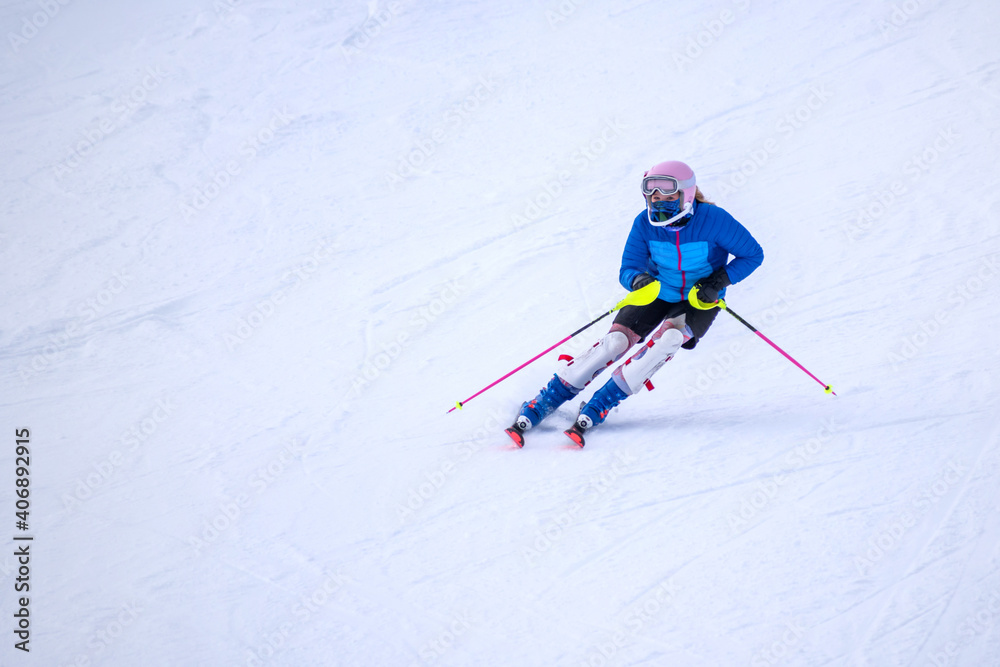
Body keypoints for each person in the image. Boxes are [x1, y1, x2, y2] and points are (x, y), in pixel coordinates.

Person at [505, 160, 764, 447]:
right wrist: (638, 280)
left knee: (670, 339)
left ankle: (600, 404)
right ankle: (545, 400)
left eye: (667, 191)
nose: (658, 198)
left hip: (698, 298)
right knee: (616, 342)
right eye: (651, 191)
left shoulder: (714, 219)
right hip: (657, 292)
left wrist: (718, 282)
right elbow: (628, 267)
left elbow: (752, 254)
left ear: (686, 194)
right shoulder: (644, 223)